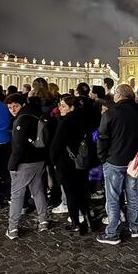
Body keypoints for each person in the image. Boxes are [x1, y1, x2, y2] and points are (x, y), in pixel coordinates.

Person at [96, 84, 138, 245]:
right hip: (134, 161)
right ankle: (135, 227)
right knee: (133, 195)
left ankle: (112, 232)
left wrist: (103, 157)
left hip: (114, 160)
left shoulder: (111, 113)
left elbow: (102, 137)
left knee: (113, 197)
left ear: (119, 95)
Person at [4, 94, 49, 239]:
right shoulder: (37, 113)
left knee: (17, 195)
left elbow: (18, 146)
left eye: (15, 106)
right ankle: (43, 220)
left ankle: (12, 228)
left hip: (24, 162)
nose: (12, 110)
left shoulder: (21, 120)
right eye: (10, 107)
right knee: (37, 190)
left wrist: (12, 165)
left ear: (22, 104)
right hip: (39, 159)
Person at [50, 95, 92, 235]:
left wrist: (53, 161)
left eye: (63, 106)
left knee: (71, 193)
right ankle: (87, 219)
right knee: (83, 191)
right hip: (82, 160)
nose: (60, 108)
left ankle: (76, 223)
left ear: (71, 107)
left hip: (66, 162)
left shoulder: (65, 122)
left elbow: (55, 146)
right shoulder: (85, 118)